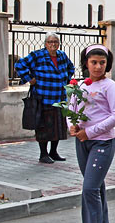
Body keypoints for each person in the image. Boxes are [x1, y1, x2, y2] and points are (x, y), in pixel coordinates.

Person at [69, 45, 115, 223]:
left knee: (89, 189)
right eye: (94, 62)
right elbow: (71, 110)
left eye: (102, 62)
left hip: (102, 143)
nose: (98, 66)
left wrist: (90, 131)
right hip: (82, 143)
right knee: (97, 188)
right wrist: (72, 127)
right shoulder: (81, 85)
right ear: (86, 63)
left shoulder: (110, 86)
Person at [14, 32, 75, 163]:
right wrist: (30, 79)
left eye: (55, 42)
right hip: (43, 97)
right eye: (50, 42)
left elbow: (71, 67)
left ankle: (54, 152)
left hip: (59, 97)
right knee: (43, 127)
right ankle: (43, 154)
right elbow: (19, 65)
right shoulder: (37, 55)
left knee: (58, 127)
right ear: (46, 44)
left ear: (59, 44)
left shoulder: (62, 55)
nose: (53, 44)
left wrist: (66, 80)